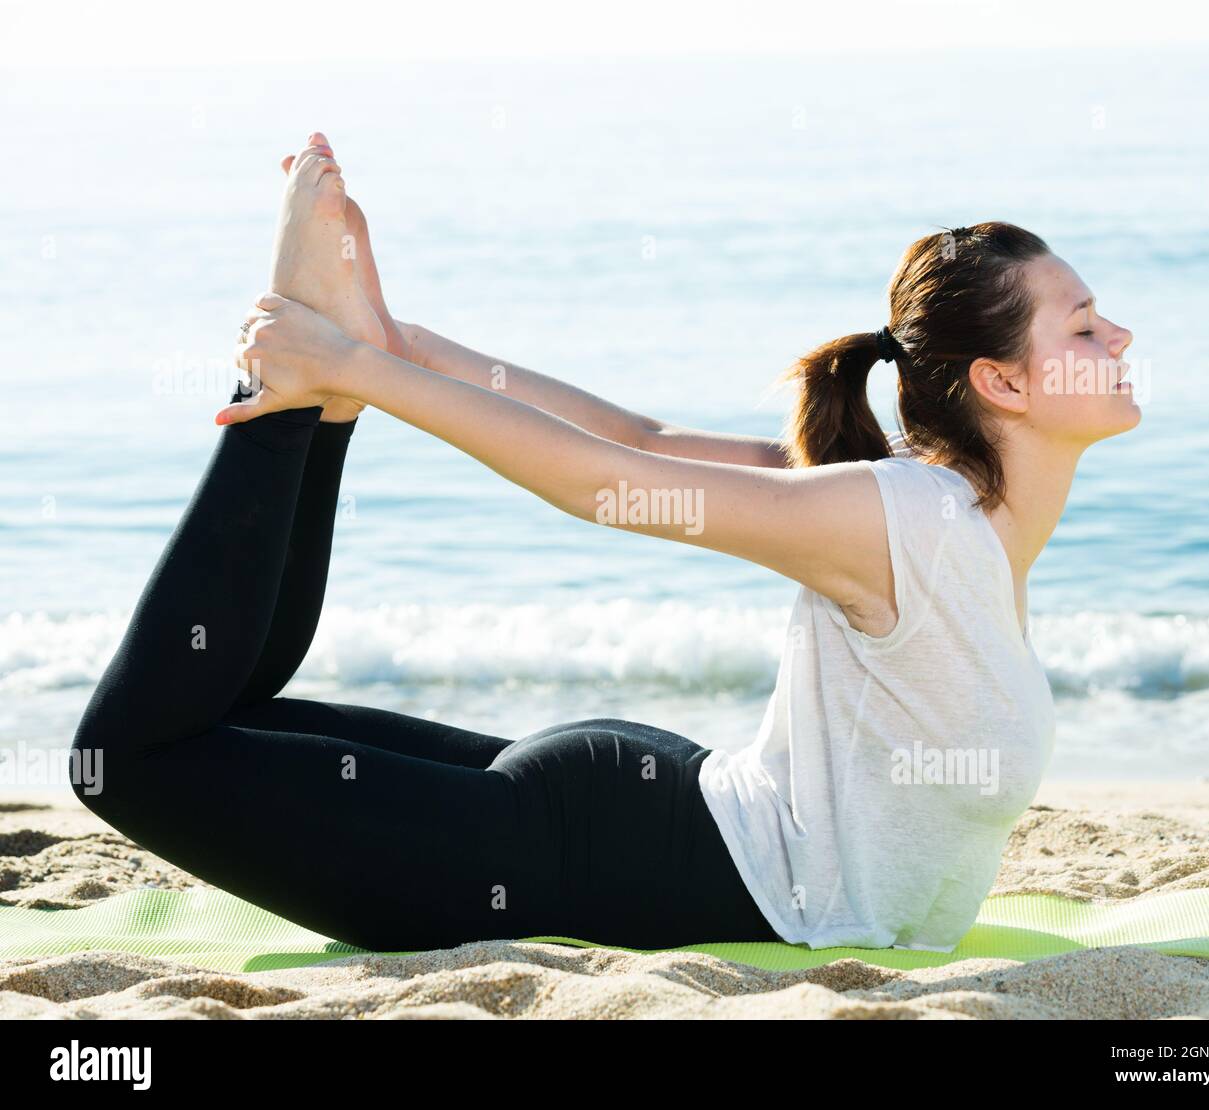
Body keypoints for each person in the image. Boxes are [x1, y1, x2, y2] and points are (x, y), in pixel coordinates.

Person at [71, 133, 1137, 953]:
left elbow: (641, 439)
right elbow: (624, 480)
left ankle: (327, 384)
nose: (1117, 336)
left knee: (218, 727)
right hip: (606, 853)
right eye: (1084, 325)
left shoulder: (949, 513)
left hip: (652, 819)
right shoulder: (914, 517)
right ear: (1000, 383)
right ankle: (295, 387)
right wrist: (378, 366)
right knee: (129, 760)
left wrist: (386, 353)